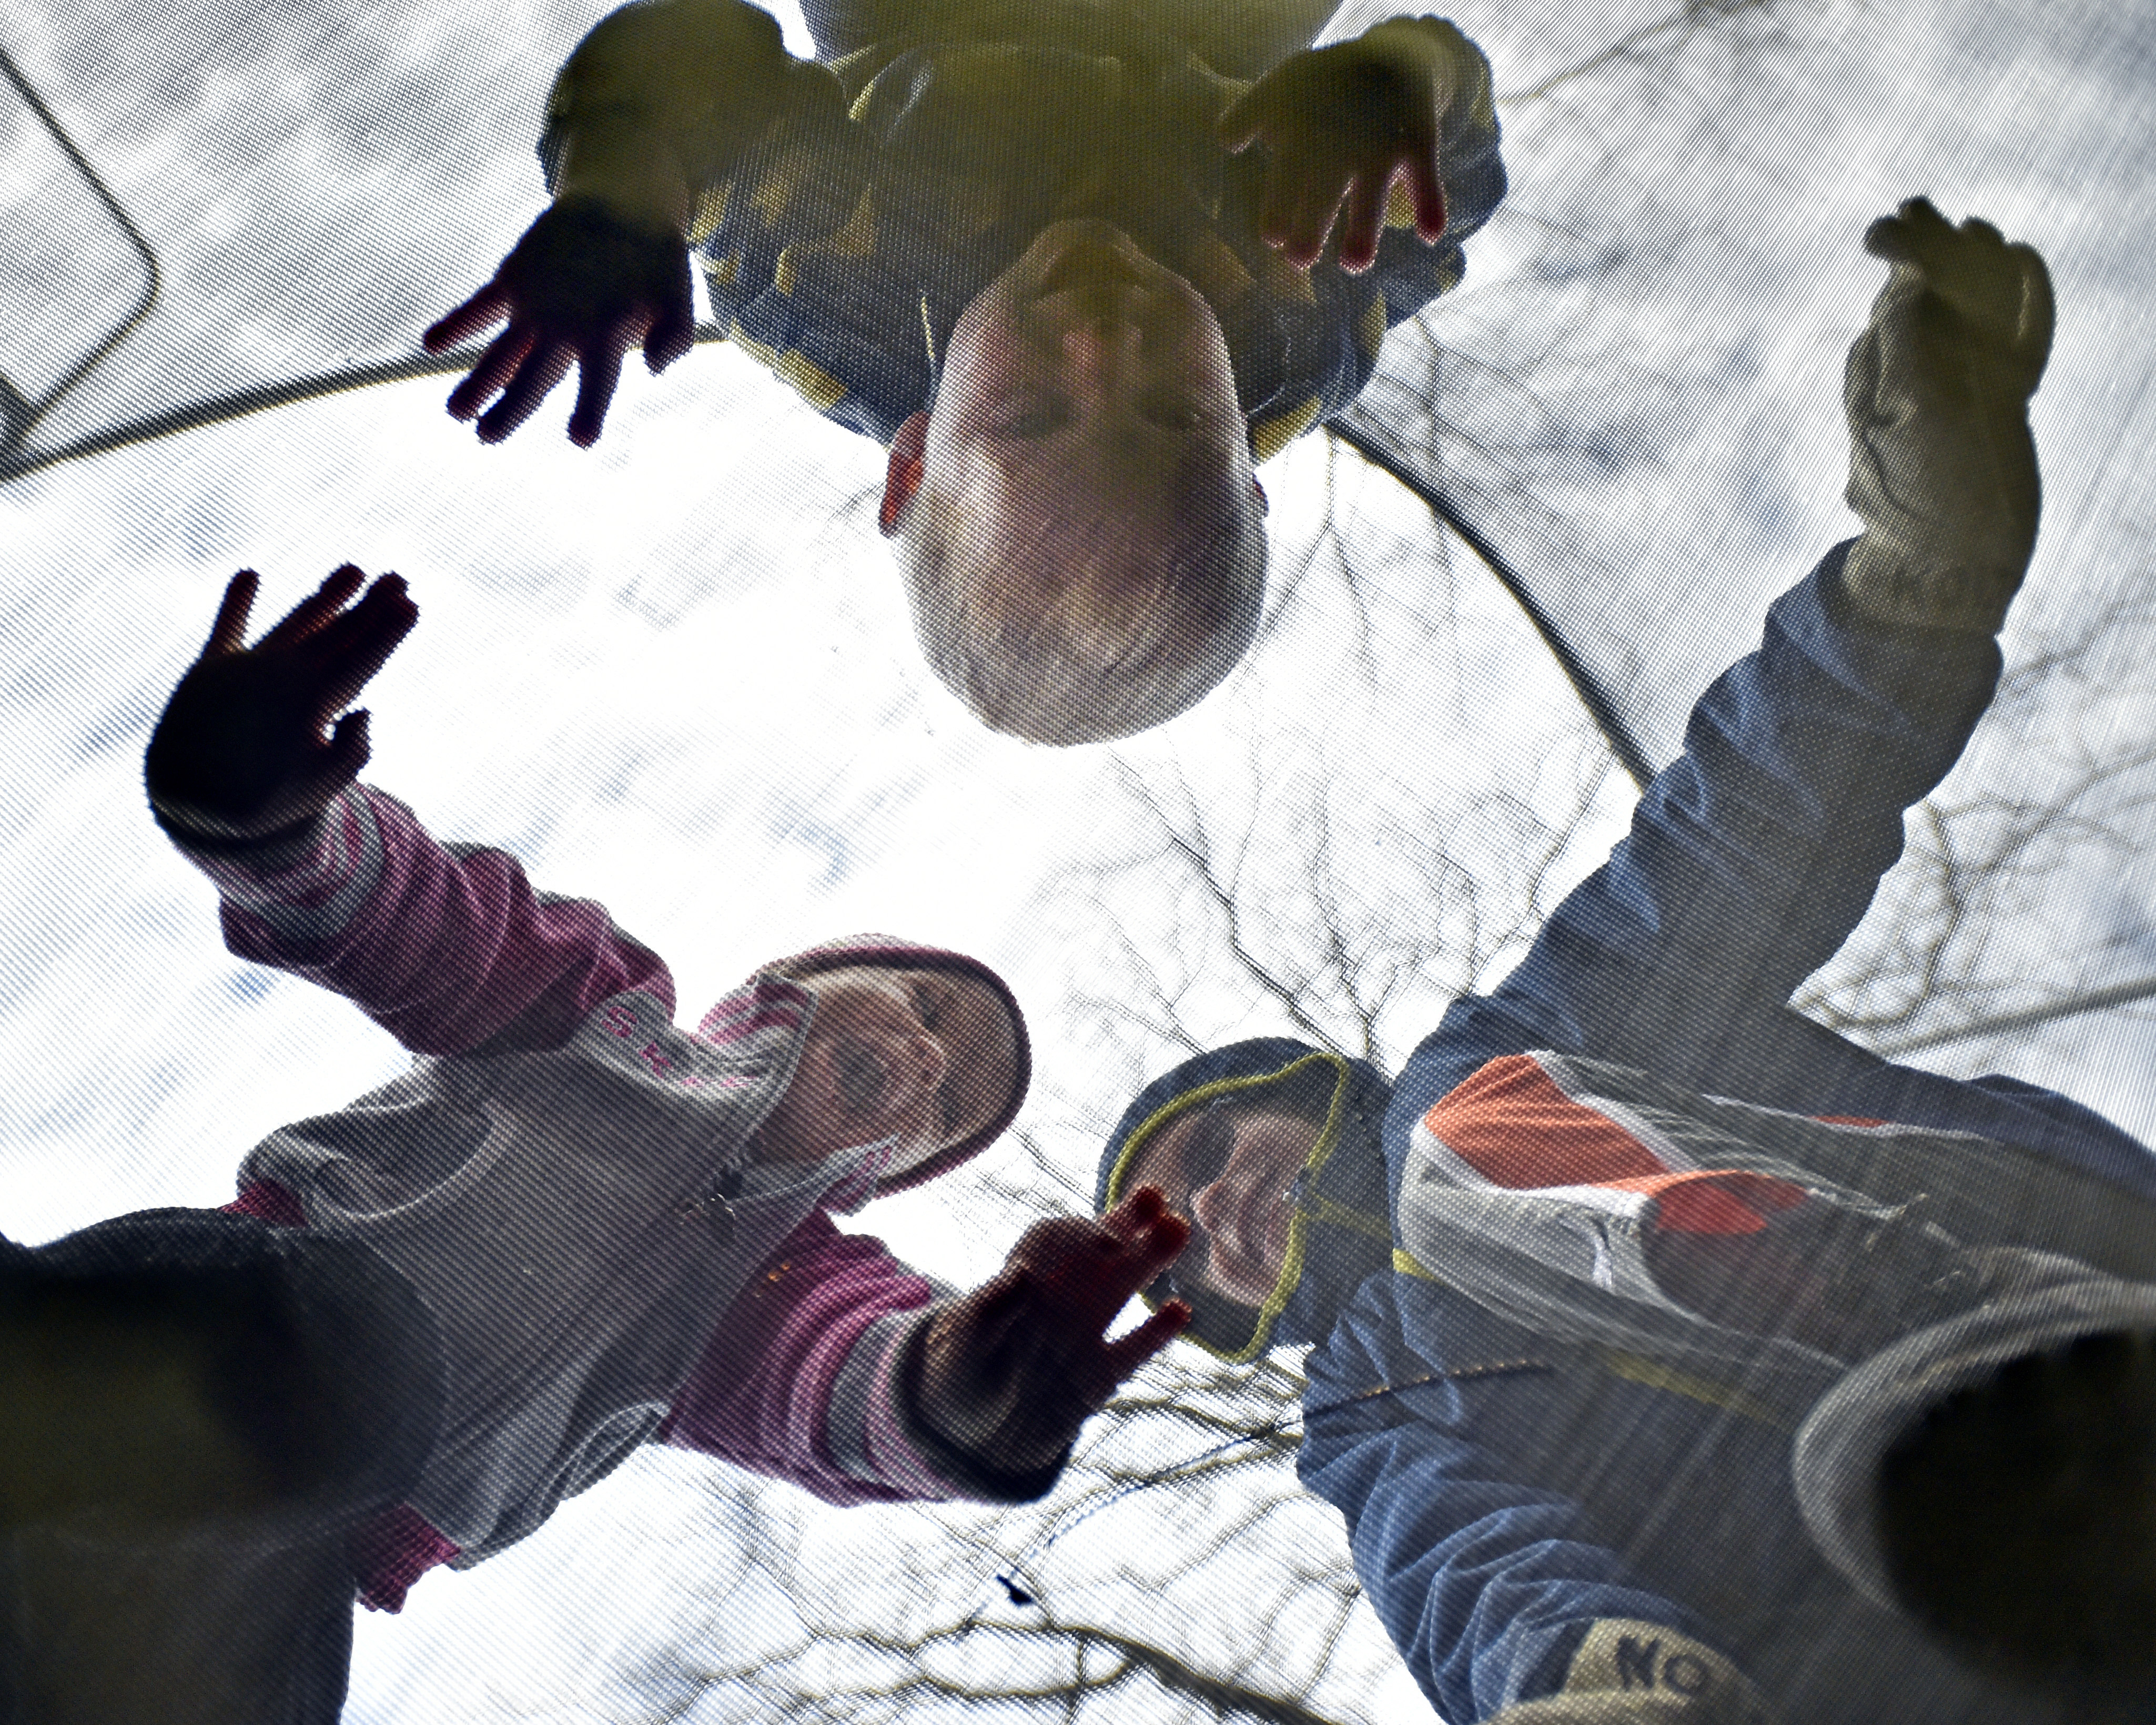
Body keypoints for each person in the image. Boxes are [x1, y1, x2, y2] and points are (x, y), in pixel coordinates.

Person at [1095, 201, 2156, 1722]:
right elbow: (1462, 1559)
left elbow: (1735, 847)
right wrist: (1578, 1682)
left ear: (1285, 1094)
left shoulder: (1526, 1060)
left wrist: (1916, 575)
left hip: (2057, 1289)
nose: (1206, 1206)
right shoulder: (1369, 1409)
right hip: (1918, 1649)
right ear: (1217, 1306)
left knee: (1451, 1146)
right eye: (1176, 1241)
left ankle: (1977, 1335)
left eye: (1199, 1151)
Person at [0, 565, 1191, 1723]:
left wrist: (972, 1388)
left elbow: (843, 1381)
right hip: (236, 1305)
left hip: (313, 1548)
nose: (929, 1062)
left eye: (943, 1112)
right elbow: (421, 921)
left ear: (881, 1171)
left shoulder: (784, 1288)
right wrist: (269, 816)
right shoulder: (593, 1016)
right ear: (795, 983)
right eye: (925, 1009)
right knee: (357, 1350)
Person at [421, 0, 1506, 744]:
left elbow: (706, 45)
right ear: (1249, 463)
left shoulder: (820, 294)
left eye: (1030, 414)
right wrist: (1394, 82)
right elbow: (1449, 193)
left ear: (911, 465)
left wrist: (622, 182)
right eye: (1174, 415)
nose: (1102, 345)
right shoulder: (1302, 339)